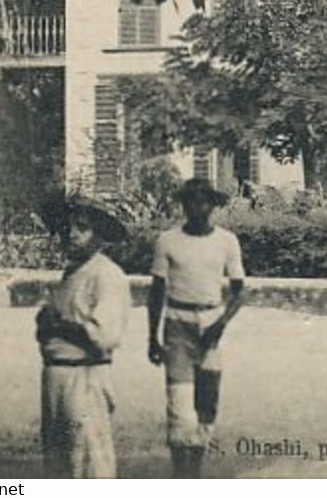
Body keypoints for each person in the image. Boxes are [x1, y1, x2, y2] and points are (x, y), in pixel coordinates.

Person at [147, 177, 247, 478]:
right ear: (183, 204)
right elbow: (156, 290)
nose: (197, 206)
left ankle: (196, 473)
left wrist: (221, 324)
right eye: (191, 200)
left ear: (213, 205)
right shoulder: (168, 240)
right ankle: (182, 475)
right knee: (179, 404)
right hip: (178, 322)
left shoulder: (226, 241)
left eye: (204, 200)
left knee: (207, 400)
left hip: (211, 323)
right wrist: (152, 336)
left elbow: (239, 290)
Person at [36, 193, 132, 478]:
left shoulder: (106, 275)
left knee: (89, 461)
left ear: (99, 235)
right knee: (61, 465)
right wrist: (46, 324)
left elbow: (104, 336)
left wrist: (58, 325)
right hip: (58, 376)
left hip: (85, 377)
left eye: (82, 227)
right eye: (66, 228)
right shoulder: (72, 274)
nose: (72, 234)